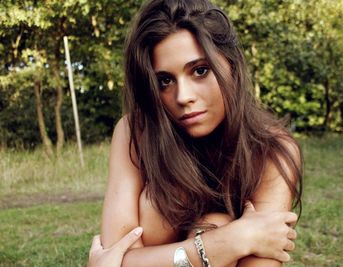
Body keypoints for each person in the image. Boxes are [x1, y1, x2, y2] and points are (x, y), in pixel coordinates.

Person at [89, 0, 303, 266]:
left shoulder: (271, 150)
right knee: (154, 205)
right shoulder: (137, 132)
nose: (183, 97)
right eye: (165, 81)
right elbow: (115, 255)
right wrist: (230, 242)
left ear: (232, 65)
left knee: (215, 222)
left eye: (200, 71)